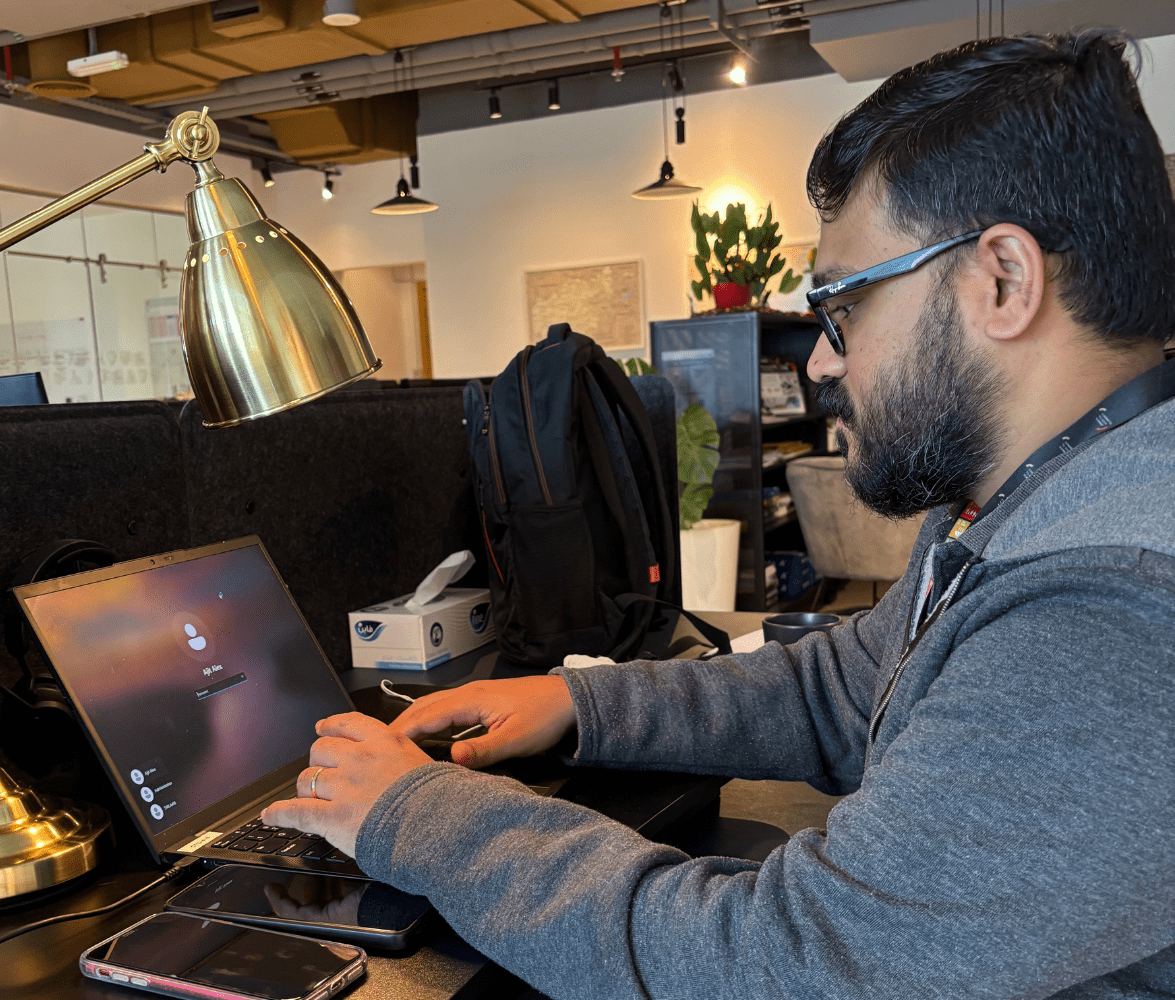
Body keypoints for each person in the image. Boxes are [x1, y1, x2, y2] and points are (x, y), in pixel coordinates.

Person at [265, 30, 1175, 999]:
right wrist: (580, 704)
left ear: (1001, 279)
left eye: (842, 307)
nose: (822, 360)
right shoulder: (1029, 503)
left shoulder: (1106, 617)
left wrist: (416, 812)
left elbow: (774, 966)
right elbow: (849, 687)